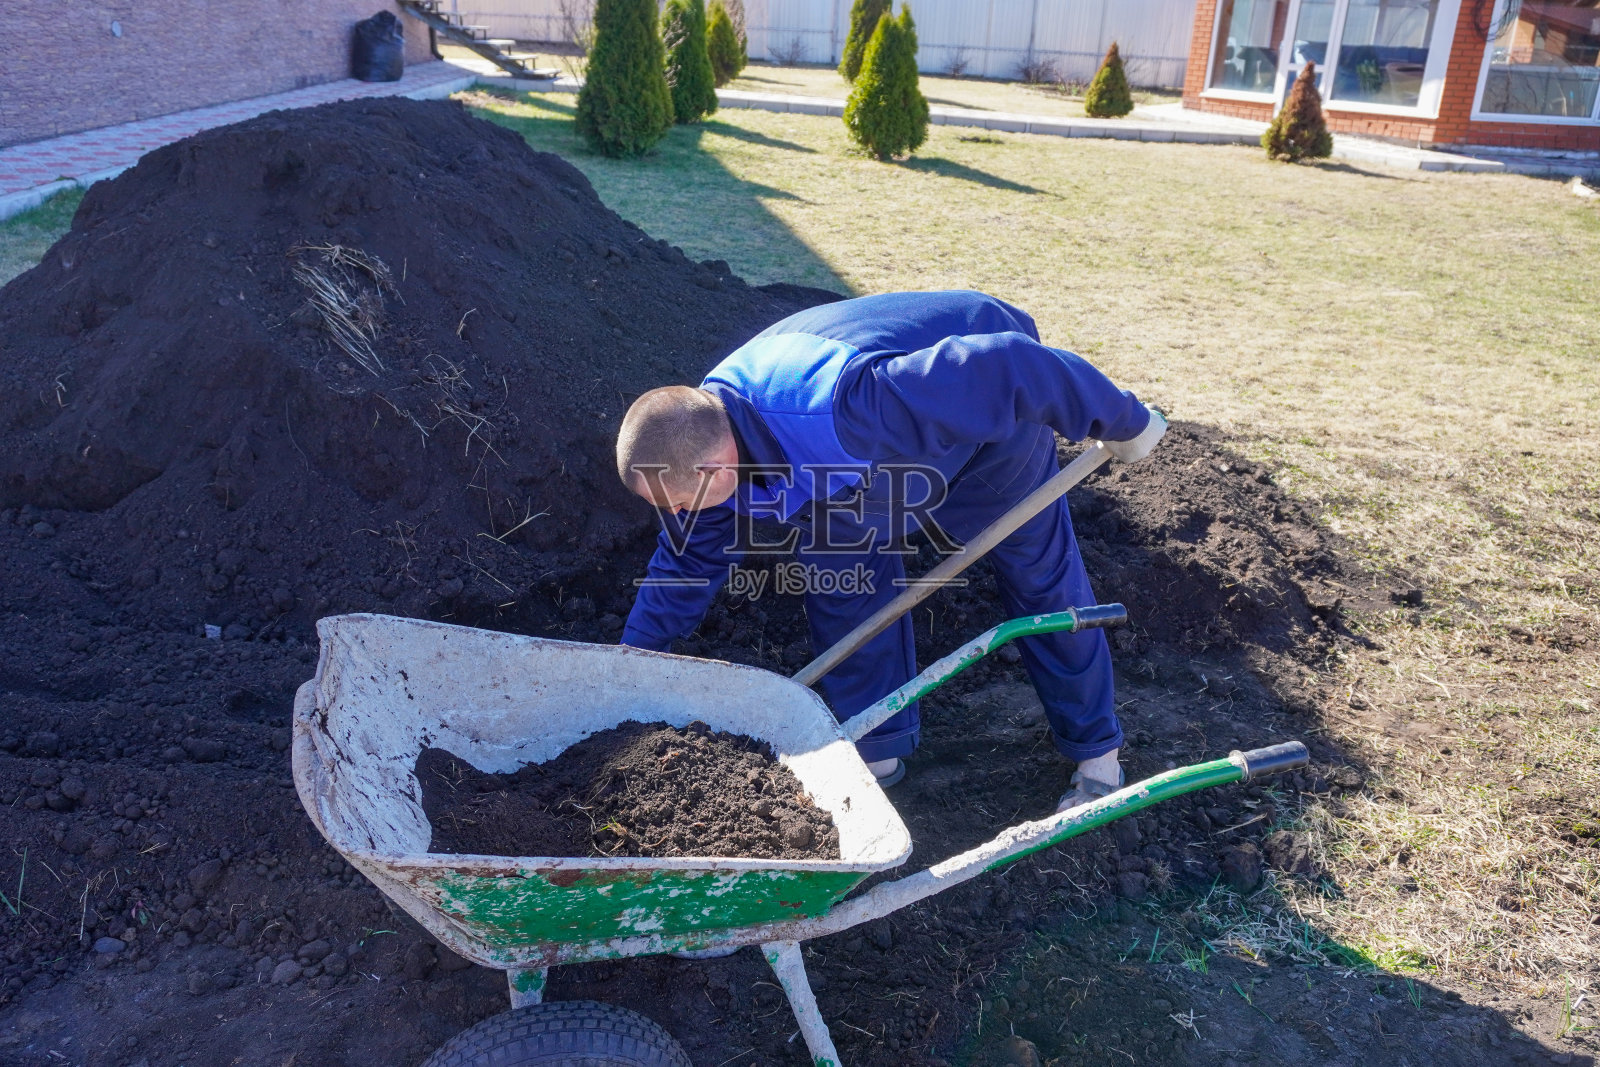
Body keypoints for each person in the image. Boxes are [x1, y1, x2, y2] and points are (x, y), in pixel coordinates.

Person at [614, 290, 1165, 811]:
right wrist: (629, 665)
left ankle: (1097, 755)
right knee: (840, 577)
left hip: (985, 428)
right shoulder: (699, 445)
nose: (677, 514)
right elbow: (686, 562)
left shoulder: (854, 408)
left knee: (1038, 578)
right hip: (861, 468)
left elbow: (1008, 364)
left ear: (717, 467)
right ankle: (877, 748)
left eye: (681, 502)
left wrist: (1122, 419)